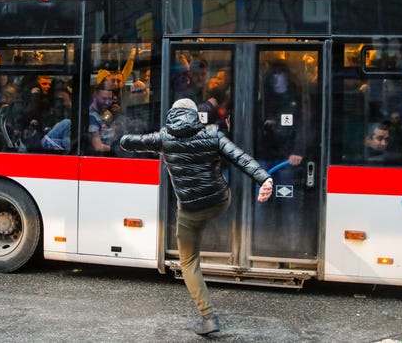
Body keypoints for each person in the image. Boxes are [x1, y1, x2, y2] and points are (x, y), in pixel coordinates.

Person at [120, 98, 273, 335]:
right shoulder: (212, 134)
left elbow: (130, 143)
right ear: (195, 116)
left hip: (190, 210)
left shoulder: (163, 138)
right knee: (219, 191)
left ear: (172, 115)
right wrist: (265, 179)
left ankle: (208, 317)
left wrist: (123, 137)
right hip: (219, 201)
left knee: (189, 261)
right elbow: (240, 157)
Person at [88, 83, 128, 155]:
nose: (107, 102)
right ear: (95, 96)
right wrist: (119, 150)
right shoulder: (91, 117)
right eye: (104, 99)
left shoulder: (107, 113)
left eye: (110, 99)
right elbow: (97, 147)